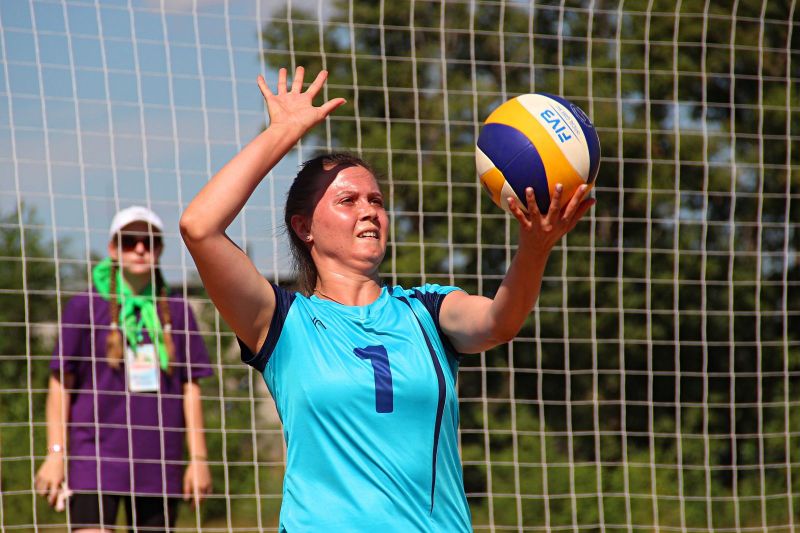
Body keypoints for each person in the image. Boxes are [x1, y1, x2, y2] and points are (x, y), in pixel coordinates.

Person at [180, 66, 595, 531]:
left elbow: (501, 322)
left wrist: (535, 247)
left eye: (376, 200)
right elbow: (199, 227)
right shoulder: (282, 324)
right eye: (348, 201)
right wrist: (283, 133)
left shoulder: (426, 311)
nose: (369, 211)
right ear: (304, 227)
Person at [35, 206, 214, 532]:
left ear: (160, 249)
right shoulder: (84, 306)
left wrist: (199, 459)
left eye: (149, 241)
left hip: (158, 461)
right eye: (130, 241)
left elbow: (191, 387)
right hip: (93, 458)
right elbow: (60, 383)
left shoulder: (178, 310)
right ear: (113, 249)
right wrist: (55, 453)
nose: (140, 249)